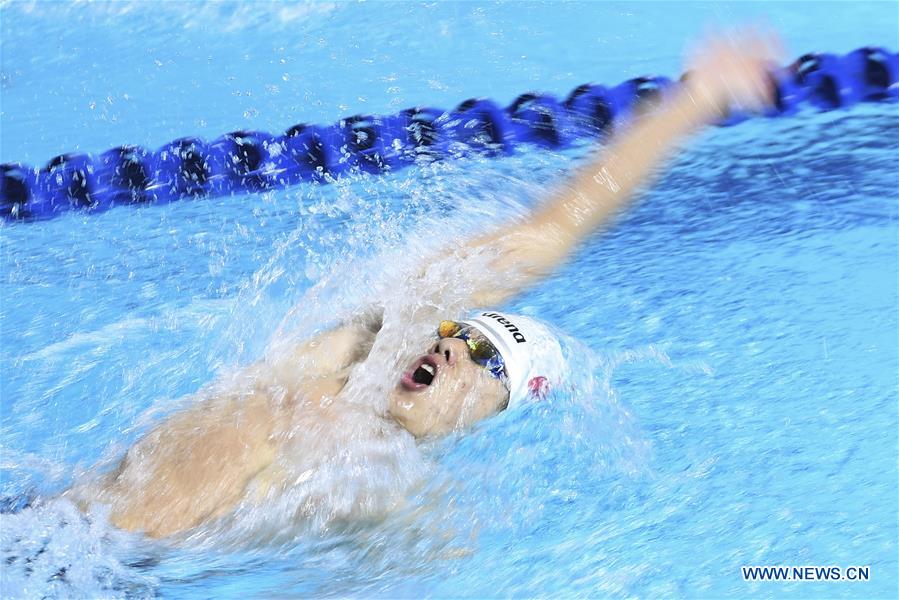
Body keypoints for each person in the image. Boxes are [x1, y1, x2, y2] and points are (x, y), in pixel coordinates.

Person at [65, 30, 781, 539]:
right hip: (53, 530)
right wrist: (692, 102)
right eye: (461, 333)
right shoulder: (351, 365)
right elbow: (542, 238)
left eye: (486, 361)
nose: (454, 348)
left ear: (490, 416)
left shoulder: (397, 498)